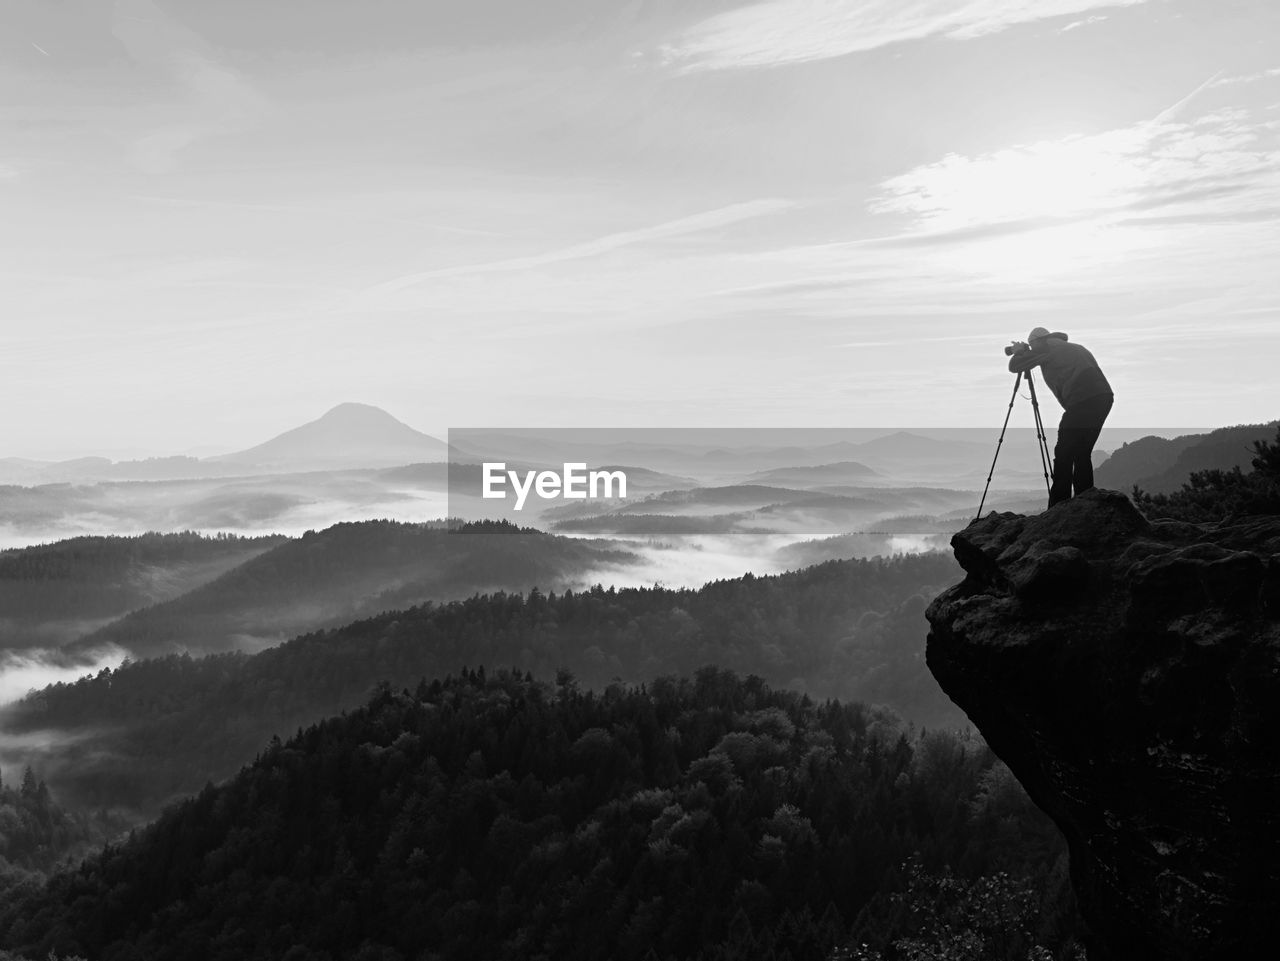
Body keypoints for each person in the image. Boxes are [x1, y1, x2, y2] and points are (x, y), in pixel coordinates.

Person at [1008, 327, 1113, 507]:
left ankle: (1059, 504)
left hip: (1082, 400)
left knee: (1064, 453)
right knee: (1082, 452)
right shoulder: (1074, 347)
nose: (1032, 349)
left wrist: (1018, 352)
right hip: (1103, 399)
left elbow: (1015, 366)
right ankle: (1085, 499)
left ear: (1038, 341)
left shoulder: (1046, 347)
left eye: (1032, 345)